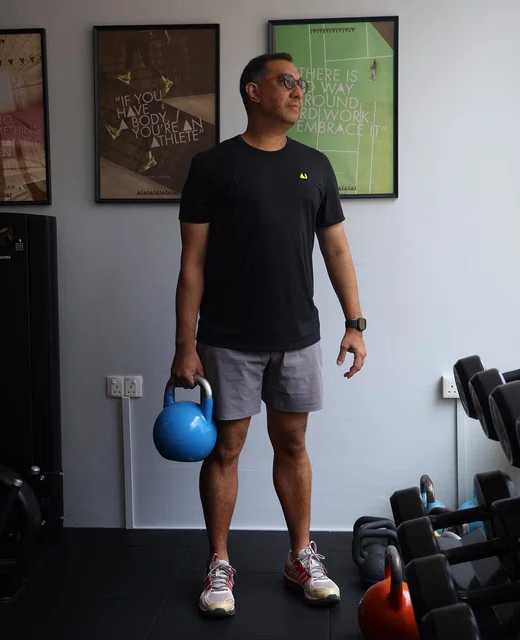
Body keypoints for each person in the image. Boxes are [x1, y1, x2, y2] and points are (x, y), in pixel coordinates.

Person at [170, 52, 367, 618]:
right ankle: (219, 563)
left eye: (301, 84)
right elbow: (192, 264)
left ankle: (300, 555)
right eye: (287, 82)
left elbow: (337, 250)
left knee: (293, 444)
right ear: (253, 92)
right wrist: (185, 345)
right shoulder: (212, 166)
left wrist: (355, 323)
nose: (298, 91)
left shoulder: (316, 165)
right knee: (227, 447)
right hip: (228, 336)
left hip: (298, 335)